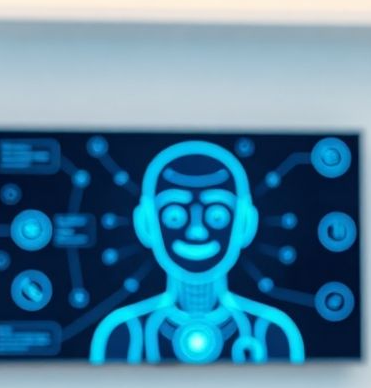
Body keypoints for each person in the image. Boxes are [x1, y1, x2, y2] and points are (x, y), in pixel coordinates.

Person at [90, 140, 304, 364]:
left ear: (245, 223)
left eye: (217, 216)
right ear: (146, 223)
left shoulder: (267, 332)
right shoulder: (128, 333)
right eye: (174, 216)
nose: (197, 231)